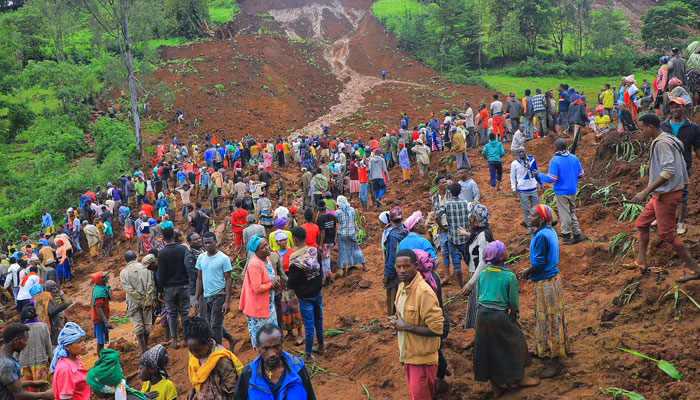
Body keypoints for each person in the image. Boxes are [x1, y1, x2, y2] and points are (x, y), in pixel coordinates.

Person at [633, 114, 700, 282]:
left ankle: (695, 270)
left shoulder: (662, 144)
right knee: (642, 223)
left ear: (650, 127)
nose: (641, 133)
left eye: (642, 129)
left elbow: (668, 171)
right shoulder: (668, 138)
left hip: (666, 195)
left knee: (668, 234)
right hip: (661, 194)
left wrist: (645, 191)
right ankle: (641, 262)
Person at [472, 242, 539, 398]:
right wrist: (514, 314)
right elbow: (513, 301)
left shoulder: (483, 274)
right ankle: (521, 378)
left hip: (482, 316)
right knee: (517, 341)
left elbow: (480, 295)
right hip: (500, 316)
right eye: (505, 250)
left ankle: (497, 387)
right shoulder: (509, 276)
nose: (508, 251)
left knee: (488, 350)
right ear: (502, 256)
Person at [520, 205, 570, 378]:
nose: (529, 216)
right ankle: (544, 348)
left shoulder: (541, 236)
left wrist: (528, 271)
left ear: (541, 219)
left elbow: (539, 263)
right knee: (552, 316)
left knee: (549, 319)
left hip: (546, 281)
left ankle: (555, 360)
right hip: (553, 279)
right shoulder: (548, 231)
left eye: (532, 215)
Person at [389, 249, 444, 400]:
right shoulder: (401, 288)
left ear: (415, 266)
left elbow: (438, 329)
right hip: (410, 356)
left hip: (423, 361)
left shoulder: (423, 292)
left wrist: (405, 326)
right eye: (398, 267)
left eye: (406, 266)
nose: (402, 270)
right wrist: (397, 322)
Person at [234, 324, 316, 399]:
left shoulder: (298, 368)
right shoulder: (248, 374)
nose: (272, 354)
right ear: (258, 348)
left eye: (276, 347)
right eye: (266, 348)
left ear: (282, 343)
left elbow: (310, 397)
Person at [660, 98, 700, 235]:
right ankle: (665, 219)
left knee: (682, 193)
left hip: (684, 165)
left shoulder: (693, 127)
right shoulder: (664, 126)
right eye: (672, 108)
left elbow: (697, 147)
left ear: (684, 108)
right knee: (664, 191)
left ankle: (681, 222)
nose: (675, 110)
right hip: (665, 165)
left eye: (677, 107)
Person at [287, 227, 324, 361]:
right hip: (318, 292)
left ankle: (308, 353)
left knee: (309, 325)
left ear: (295, 239)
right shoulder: (315, 251)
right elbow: (321, 270)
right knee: (319, 320)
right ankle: (321, 346)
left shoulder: (295, 258)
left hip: (304, 296)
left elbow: (292, 281)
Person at [538, 139, 585, 245]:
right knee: (572, 211)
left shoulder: (555, 160)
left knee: (565, 213)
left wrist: (539, 175)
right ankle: (577, 234)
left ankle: (567, 235)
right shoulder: (574, 158)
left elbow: (552, 178)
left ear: (556, 148)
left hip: (561, 191)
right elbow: (581, 174)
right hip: (573, 190)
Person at [184, 316, 243, 400]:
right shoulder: (194, 357)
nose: (194, 354)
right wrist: (193, 389)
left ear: (208, 342)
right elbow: (200, 378)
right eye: (191, 350)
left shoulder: (221, 359)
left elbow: (232, 388)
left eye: (198, 350)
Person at [240, 236, 281, 348]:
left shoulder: (267, 259)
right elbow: (257, 288)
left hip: (268, 305)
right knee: (263, 340)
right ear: (256, 251)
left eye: (267, 245)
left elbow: (270, 276)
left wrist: (276, 279)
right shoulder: (254, 264)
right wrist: (272, 284)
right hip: (258, 308)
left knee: (271, 336)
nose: (267, 248)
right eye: (263, 247)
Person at [195, 232, 233, 346]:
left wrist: (227, 301)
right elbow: (199, 278)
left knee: (215, 326)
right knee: (208, 324)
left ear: (216, 242)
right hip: (206, 296)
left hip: (219, 295)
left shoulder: (223, 258)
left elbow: (228, 280)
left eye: (210, 242)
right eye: (205, 243)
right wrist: (197, 298)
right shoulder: (201, 258)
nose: (207, 245)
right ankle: (225, 341)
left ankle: (218, 350)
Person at [460, 204, 494, 331]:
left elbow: (484, 261)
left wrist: (471, 283)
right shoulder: (482, 233)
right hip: (478, 275)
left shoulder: (483, 236)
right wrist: (466, 234)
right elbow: (477, 240)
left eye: (473, 218)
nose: (471, 220)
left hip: (480, 277)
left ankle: (482, 337)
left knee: (480, 311)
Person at [156, 227, 190, 349]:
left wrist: (160, 290)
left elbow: (161, 274)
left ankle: (174, 340)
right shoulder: (183, 249)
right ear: (174, 236)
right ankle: (186, 339)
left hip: (169, 287)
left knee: (172, 313)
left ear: (163, 239)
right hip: (184, 285)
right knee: (185, 312)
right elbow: (188, 267)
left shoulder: (162, 253)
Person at [1, 323, 53, 400]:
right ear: (16, 340)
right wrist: (44, 395)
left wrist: (32, 383)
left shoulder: (4, 359)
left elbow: (9, 383)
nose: (26, 343)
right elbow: (19, 395)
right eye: (25, 340)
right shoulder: (7, 365)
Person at [270, 231, 304, 346]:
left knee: (295, 307)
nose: (283, 242)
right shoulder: (274, 255)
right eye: (280, 240)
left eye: (284, 239)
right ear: (277, 242)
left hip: (291, 283)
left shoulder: (293, 252)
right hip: (280, 286)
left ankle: (299, 333)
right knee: (284, 308)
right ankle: (289, 331)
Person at [120, 251, 156, 354]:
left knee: (138, 325)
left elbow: (128, 289)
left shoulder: (124, 272)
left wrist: (139, 297)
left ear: (126, 260)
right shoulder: (146, 268)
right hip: (147, 300)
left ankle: (143, 349)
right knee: (147, 323)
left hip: (133, 301)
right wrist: (147, 299)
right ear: (136, 257)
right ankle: (146, 345)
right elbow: (150, 284)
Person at [51, 322, 89, 400]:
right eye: (79, 342)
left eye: (83, 340)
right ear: (68, 346)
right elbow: (65, 398)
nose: (84, 344)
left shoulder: (77, 360)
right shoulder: (65, 368)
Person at [18, 306, 51, 390]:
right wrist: (51, 358)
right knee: (43, 388)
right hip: (40, 361)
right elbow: (48, 345)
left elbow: (16, 349)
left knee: (29, 388)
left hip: (24, 363)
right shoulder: (43, 326)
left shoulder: (20, 329)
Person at [510, 147, 543, 234]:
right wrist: (513, 188)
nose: (521, 154)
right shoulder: (515, 164)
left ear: (525, 152)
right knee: (526, 209)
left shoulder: (532, 160)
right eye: (519, 152)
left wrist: (541, 183)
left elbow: (537, 172)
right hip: (522, 190)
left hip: (533, 188)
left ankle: (539, 225)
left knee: (537, 208)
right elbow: (512, 177)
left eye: (522, 152)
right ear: (517, 154)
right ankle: (529, 227)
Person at [383, 207, 407, 316]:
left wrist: (387, 274)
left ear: (391, 220)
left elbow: (391, 257)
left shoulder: (392, 236)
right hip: (407, 267)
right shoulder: (406, 230)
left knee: (393, 297)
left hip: (396, 271)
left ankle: (395, 322)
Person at [335, 196, 366, 276]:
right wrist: (357, 230)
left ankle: (345, 273)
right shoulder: (352, 210)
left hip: (342, 235)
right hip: (352, 233)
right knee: (356, 249)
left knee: (343, 253)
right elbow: (354, 221)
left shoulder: (337, 212)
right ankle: (364, 266)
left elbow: (337, 224)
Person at [90, 271, 112, 354]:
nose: (107, 278)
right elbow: (98, 308)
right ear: (100, 279)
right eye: (105, 277)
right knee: (100, 341)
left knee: (102, 339)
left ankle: (101, 357)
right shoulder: (99, 292)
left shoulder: (100, 288)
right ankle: (100, 359)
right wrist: (106, 322)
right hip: (99, 320)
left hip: (101, 318)